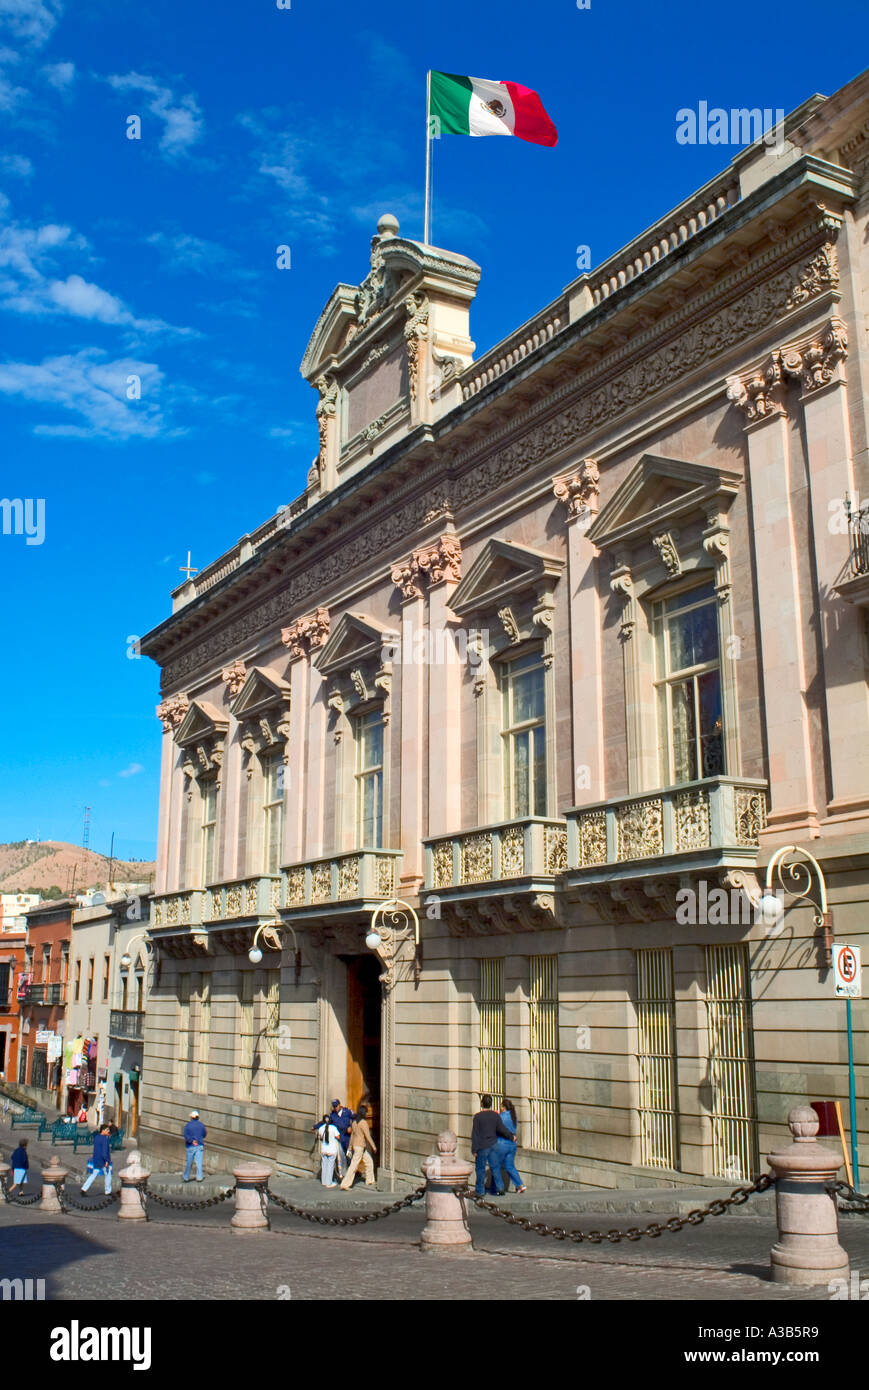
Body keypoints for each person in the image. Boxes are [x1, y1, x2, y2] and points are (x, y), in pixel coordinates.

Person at [470, 1094, 513, 1197]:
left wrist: (474, 1149)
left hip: (482, 1146)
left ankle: (480, 1190)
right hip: (493, 1145)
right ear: (491, 1104)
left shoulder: (477, 1117)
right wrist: (511, 1136)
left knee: (480, 1169)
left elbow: (475, 1134)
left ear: (482, 1104)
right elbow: (502, 1129)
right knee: (495, 1167)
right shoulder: (495, 1115)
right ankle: (500, 1188)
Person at [492, 1098, 526, 1194]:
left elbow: (497, 1128)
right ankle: (520, 1185)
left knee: (496, 1166)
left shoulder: (501, 1117)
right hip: (512, 1144)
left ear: (503, 1107)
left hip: (502, 1143)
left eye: (501, 1106)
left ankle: (497, 1188)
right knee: (509, 1166)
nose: (500, 1108)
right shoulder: (513, 1116)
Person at [339, 1104, 377, 1189]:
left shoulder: (355, 1122)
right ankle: (345, 1184)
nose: (367, 1114)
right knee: (354, 1165)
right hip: (360, 1146)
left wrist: (350, 1146)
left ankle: (370, 1180)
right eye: (366, 1112)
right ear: (364, 1113)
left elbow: (352, 1135)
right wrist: (373, 1146)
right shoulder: (363, 1123)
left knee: (369, 1161)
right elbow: (368, 1136)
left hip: (357, 1146)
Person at [81, 1124, 113, 1195]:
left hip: (96, 1159)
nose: (108, 1131)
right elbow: (104, 1152)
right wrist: (107, 1160)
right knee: (108, 1174)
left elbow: (96, 1149)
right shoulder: (105, 1139)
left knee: (93, 1174)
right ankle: (108, 1191)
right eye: (107, 1130)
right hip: (103, 1160)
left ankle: (84, 1189)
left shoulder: (97, 1137)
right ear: (103, 1130)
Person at [314, 1113, 341, 1187]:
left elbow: (319, 1137)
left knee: (324, 1165)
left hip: (323, 1149)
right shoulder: (333, 1128)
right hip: (332, 1150)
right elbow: (338, 1137)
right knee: (330, 1166)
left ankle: (324, 1181)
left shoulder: (321, 1128)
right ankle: (329, 1183)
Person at [329, 1099, 354, 1178]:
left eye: (336, 1105)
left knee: (349, 1156)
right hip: (339, 1140)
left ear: (340, 1104)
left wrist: (351, 1127)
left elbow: (355, 1118)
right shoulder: (332, 1115)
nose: (335, 1107)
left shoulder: (347, 1112)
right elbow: (326, 1124)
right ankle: (343, 1174)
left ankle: (351, 1173)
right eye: (334, 1106)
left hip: (347, 1139)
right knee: (341, 1158)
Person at [183, 1110, 207, 1182]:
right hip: (199, 1145)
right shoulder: (201, 1125)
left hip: (190, 1145)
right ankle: (199, 1177)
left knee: (189, 1162)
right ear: (198, 1117)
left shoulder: (187, 1125)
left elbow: (186, 1136)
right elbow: (204, 1134)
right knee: (199, 1163)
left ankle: (186, 1177)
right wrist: (199, 1139)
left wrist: (192, 1141)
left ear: (191, 1117)